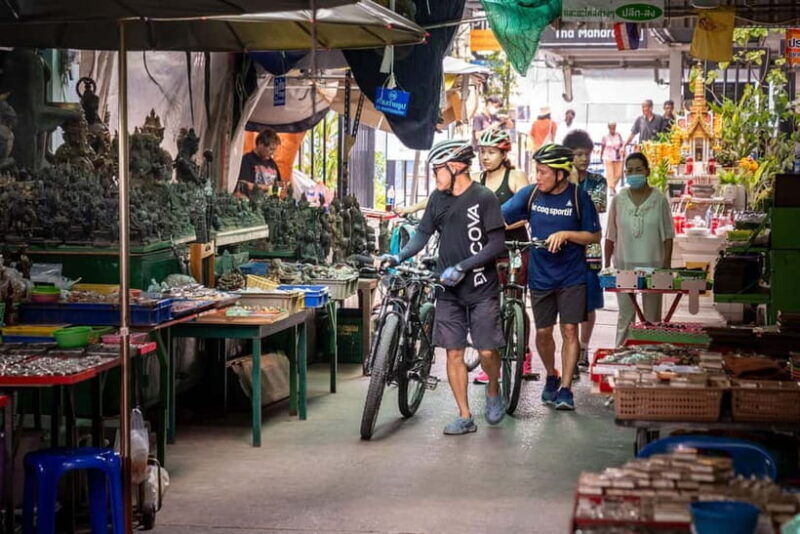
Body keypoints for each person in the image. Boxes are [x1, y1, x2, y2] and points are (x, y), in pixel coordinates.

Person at [379, 139, 507, 435]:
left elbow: (497, 244)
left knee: (487, 352)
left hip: (481, 288)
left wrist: (463, 266)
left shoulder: (484, 197)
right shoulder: (437, 199)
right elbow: (422, 234)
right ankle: (465, 415)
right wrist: (397, 255)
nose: (435, 175)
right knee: (453, 353)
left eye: (438, 169)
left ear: (457, 166)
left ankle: (493, 389)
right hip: (448, 292)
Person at [502, 144, 601, 411]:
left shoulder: (580, 198)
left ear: (560, 174)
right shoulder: (531, 195)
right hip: (540, 275)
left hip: (572, 275)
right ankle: (551, 374)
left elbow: (594, 236)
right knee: (543, 332)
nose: (538, 176)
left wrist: (567, 234)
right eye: (537, 171)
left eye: (543, 172)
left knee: (569, 330)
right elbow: (500, 216)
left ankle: (566, 389)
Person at [469, 128, 537, 384]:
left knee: (515, 300)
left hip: (516, 247)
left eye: (491, 152)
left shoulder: (516, 177)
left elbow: (528, 208)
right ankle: (492, 360)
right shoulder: (477, 179)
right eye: (482, 152)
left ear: (503, 153)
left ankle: (524, 354)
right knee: (489, 306)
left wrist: (502, 225)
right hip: (487, 251)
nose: (485, 157)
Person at [605, 152, 675, 346]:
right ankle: (621, 355)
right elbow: (610, 235)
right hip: (624, 266)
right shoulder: (619, 200)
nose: (633, 174)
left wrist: (666, 265)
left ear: (647, 172)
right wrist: (606, 265)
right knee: (625, 316)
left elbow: (668, 236)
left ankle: (651, 356)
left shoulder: (659, 199)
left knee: (652, 318)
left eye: (638, 170)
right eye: (629, 171)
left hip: (655, 268)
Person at [563, 130, 607, 372]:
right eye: (578, 154)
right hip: (566, 251)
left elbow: (599, 205)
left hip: (590, 250)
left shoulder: (598, 181)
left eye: (587, 154)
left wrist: (577, 185)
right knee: (569, 302)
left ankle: (584, 347)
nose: (584, 159)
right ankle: (571, 347)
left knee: (589, 302)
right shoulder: (558, 181)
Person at [235, 128, 283, 199]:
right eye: (270, 149)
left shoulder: (272, 163)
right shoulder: (247, 159)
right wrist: (268, 187)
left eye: (274, 150)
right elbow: (243, 184)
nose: (272, 153)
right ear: (260, 143)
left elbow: (277, 187)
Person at [600, 122, 624, 194]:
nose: (612, 129)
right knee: (610, 174)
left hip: (618, 157)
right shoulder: (605, 136)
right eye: (611, 127)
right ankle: (611, 189)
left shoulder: (619, 135)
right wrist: (601, 156)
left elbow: (622, 145)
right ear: (609, 128)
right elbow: (602, 147)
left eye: (614, 127)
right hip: (608, 157)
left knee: (618, 174)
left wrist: (624, 152)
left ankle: (612, 187)